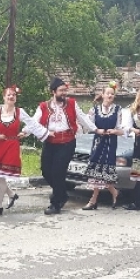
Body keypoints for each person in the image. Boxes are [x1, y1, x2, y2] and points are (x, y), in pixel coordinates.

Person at [0, 85, 50, 215]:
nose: (11, 97)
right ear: (4, 97)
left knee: (1, 176)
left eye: (13, 95)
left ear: (15, 98)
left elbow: (32, 123)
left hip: (11, 146)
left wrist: (26, 132)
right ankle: (11, 194)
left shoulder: (19, 112)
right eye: (8, 94)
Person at [33, 77, 96, 214]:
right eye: (61, 90)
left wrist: (96, 129)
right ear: (53, 92)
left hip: (67, 142)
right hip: (50, 141)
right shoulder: (44, 106)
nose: (64, 93)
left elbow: (83, 118)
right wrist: (24, 132)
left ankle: (55, 204)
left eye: (65, 90)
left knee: (58, 172)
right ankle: (61, 193)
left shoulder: (72, 104)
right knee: (45, 170)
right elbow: (34, 122)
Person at [82, 82, 125, 210]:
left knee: (105, 171)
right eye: (108, 93)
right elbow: (87, 124)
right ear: (103, 95)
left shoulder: (118, 110)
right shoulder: (94, 109)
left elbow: (121, 129)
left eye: (112, 94)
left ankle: (94, 200)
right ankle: (112, 193)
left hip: (110, 143)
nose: (110, 95)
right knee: (96, 170)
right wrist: (96, 130)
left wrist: (115, 131)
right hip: (98, 142)